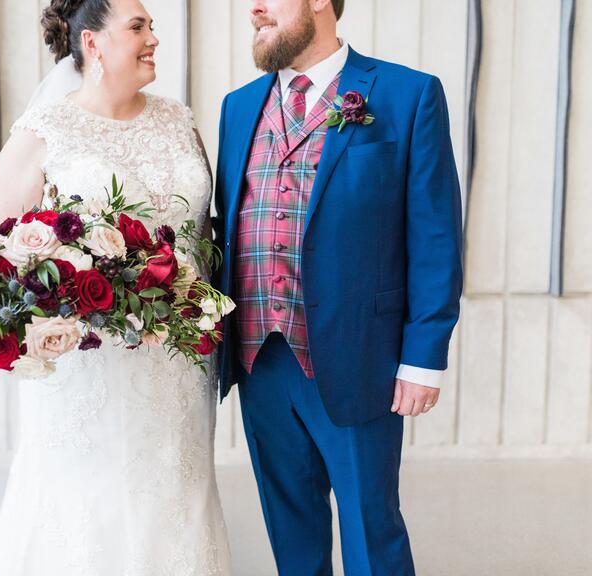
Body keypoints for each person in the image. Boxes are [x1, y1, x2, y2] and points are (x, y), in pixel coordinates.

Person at [0, 0, 231, 573]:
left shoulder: (179, 120)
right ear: (91, 42)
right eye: (137, 27)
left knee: (175, 503)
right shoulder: (43, 134)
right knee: (86, 512)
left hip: (179, 366)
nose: (153, 39)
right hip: (87, 367)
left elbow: (206, 234)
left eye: (152, 26)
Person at [212, 0, 463, 574]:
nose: (253, 8)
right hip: (259, 360)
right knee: (292, 536)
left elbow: (434, 235)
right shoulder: (238, 107)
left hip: (359, 356)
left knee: (372, 532)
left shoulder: (407, 94)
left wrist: (423, 357)